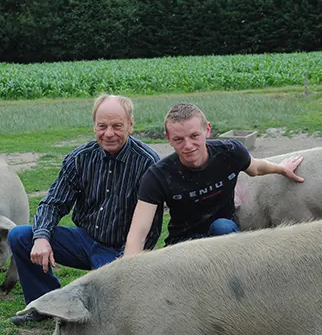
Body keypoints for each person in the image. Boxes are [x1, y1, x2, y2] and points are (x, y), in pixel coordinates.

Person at [8, 93, 164, 325]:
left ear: (131, 125)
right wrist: (41, 237)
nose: (108, 133)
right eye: (102, 126)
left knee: (105, 314)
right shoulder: (80, 158)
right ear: (94, 126)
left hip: (119, 250)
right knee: (21, 236)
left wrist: (126, 263)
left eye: (116, 126)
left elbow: (150, 230)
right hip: (83, 240)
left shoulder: (147, 163)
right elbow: (53, 203)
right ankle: (45, 304)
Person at [123, 102, 304, 256]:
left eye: (194, 136)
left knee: (223, 226)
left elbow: (256, 168)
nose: (188, 146)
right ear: (168, 138)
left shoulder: (230, 152)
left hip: (223, 238)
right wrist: (127, 272)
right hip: (182, 246)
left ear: (207, 129)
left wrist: (281, 168)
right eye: (179, 139)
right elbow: (138, 232)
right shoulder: (158, 176)